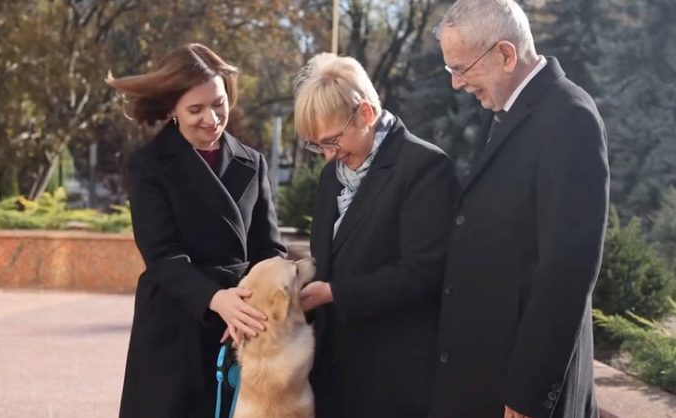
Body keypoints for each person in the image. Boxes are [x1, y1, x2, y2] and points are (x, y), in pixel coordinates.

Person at [430, 1, 609, 418]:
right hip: (484, 375)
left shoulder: (570, 118)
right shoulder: (508, 109)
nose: (456, 84)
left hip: (518, 394)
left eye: (461, 68)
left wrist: (528, 394)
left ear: (506, 54)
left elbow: (568, 269)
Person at [107, 43, 286, 418]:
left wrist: (252, 304)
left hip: (240, 327)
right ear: (172, 109)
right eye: (195, 109)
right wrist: (217, 299)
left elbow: (270, 249)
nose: (212, 118)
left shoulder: (253, 163)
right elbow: (161, 254)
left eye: (218, 103)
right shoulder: (149, 165)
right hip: (174, 328)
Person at [294, 52, 460, 418]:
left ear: (366, 114)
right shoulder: (331, 177)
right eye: (318, 145)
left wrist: (335, 293)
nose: (327, 155)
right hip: (333, 379)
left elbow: (424, 273)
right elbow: (329, 258)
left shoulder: (425, 168)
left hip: (392, 382)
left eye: (332, 140)